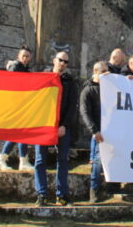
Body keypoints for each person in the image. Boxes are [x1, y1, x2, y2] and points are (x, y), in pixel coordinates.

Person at [34, 51, 78, 206]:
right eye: (61, 60)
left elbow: (72, 105)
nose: (63, 64)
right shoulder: (43, 77)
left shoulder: (70, 81)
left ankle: (62, 195)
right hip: (44, 125)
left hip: (62, 127)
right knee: (40, 160)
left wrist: (64, 125)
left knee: (63, 161)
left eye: (66, 62)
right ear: (54, 61)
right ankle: (41, 194)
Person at [0, 46, 34, 172]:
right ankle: (4, 159)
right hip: (15, 106)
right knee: (18, 133)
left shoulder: (26, 69)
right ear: (18, 56)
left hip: (22, 105)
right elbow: (11, 85)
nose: (25, 58)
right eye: (24, 56)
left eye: (27, 56)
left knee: (21, 133)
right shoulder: (15, 67)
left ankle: (21, 160)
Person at [79, 61, 109, 202]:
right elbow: (85, 112)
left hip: (111, 129)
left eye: (107, 71)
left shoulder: (110, 88)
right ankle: (94, 191)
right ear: (96, 72)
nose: (106, 74)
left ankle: (112, 187)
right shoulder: (88, 90)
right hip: (98, 131)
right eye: (103, 71)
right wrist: (94, 130)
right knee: (97, 161)